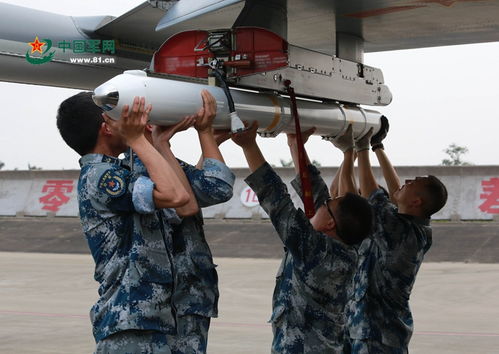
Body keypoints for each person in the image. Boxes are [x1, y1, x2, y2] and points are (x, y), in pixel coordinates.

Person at [56, 92, 196, 353]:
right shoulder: (101, 176)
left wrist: (160, 142)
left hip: (150, 323)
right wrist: (138, 140)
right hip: (129, 323)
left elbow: (185, 206)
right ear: (106, 127)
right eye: (119, 117)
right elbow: (175, 195)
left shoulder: (118, 171)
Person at [231, 121, 373, 353]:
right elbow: (317, 193)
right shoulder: (345, 249)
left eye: (326, 205)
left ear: (329, 224)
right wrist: (296, 146)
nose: (321, 204)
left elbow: (276, 199)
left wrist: (249, 146)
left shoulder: (316, 251)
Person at [125, 90, 235, 353]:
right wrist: (200, 135)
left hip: (185, 297)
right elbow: (196, 198)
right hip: (175, 298)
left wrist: (209, 141)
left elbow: (206, 185)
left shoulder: (166, 165)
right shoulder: (137, 171)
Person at [346, 116, 448, 353]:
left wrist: (361, 148)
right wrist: (377, 146)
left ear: (416, 201)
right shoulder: (416, 227)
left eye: (414, 182)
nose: (407, 181)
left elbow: (373, 193)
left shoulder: (400, 231)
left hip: (375, 334)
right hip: (379, 332)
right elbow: (396, 194)